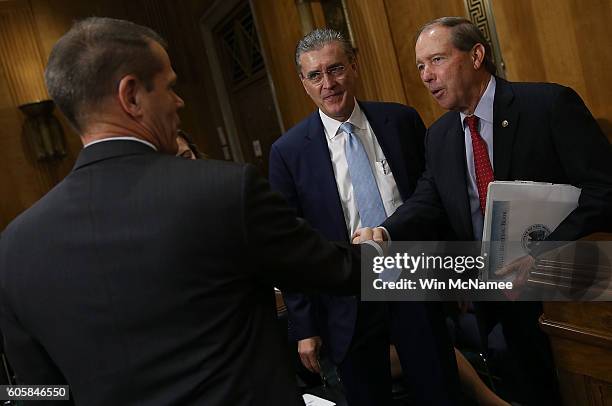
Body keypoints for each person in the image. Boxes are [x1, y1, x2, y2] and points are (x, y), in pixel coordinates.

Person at [0, 17, 373, 406]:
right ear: (131, 96)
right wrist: (438, 273)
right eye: (170, 86)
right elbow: (339, 269)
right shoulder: (222, 192)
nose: (178, 102)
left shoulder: (12, 249)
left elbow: (38, 394)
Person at [355, 17, 612, 405]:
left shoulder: (548, 104)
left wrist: (543, 251)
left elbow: (604, 191)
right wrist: (386, 231)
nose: (426, 75)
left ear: (476, 55)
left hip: (569, 297)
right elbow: (429, 199)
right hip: (497, 305)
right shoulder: (440, 136)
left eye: (437, 60)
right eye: (420, 66)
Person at [269, 28, 458, 406]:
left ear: (354, 66)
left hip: (413, 283)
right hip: (346, 302)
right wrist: (304, 326)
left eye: (336, 69)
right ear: (303, 82)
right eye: (315, 75)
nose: (328, 83)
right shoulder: (288, 152)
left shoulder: (401, 121)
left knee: (440, 392)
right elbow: (289, 246)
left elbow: (433, 201)